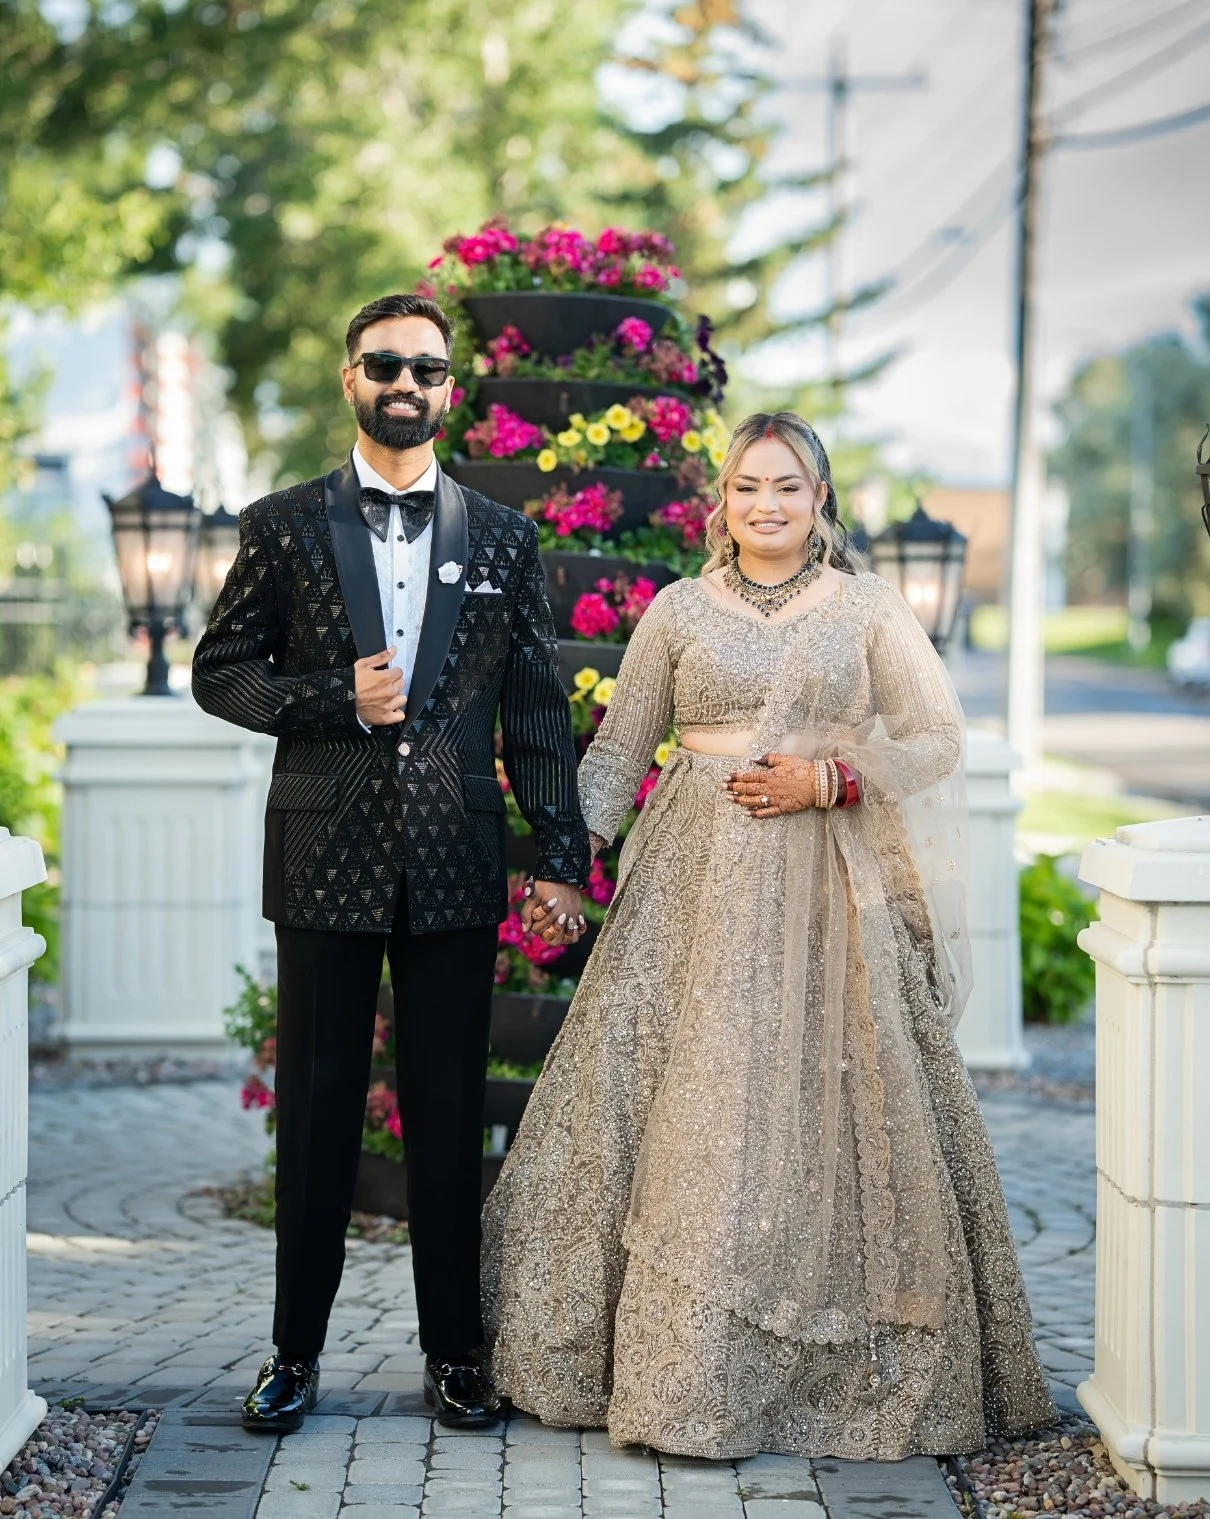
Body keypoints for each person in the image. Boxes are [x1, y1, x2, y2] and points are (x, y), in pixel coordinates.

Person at [482, 411, 1055, 1459]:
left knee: (818, 1102)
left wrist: (830, 777)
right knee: (682, 1100)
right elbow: (617, 750)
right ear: (722, 501)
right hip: (690, 892)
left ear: (821, 499)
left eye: (788, 486)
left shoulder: (868, 610)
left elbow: (936, 737)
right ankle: (664, 1370)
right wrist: (569, 865)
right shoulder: (679, 610)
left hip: (828, 898)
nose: (767, 504)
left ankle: (819, 1368)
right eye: (748, 486)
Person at [193, 292, 589, 1433]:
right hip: (323, 856)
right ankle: (293, 1355)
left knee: (448, 1110)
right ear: (349, 377)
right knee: (315, 1111)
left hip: (457, 864)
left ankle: (455, 1353)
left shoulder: (507, 540)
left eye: (425, 367)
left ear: (450, 387)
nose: (404, 383)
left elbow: (538, 716)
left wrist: (557, 856)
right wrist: (335, 699)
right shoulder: (281, 525)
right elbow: (220, 671)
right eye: (384, 365)